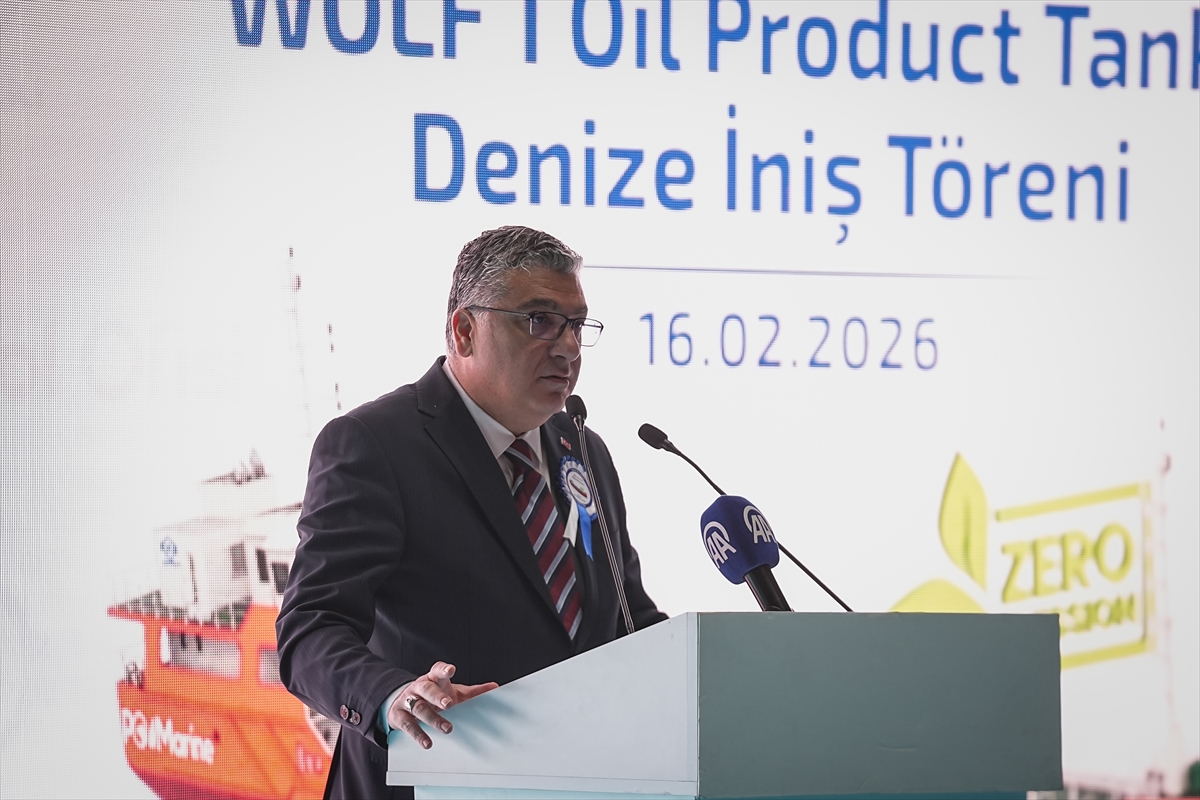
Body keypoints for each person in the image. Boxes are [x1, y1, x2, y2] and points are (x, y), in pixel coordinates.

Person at [276, 226, 667, 799]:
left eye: (576, 324)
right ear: (465, 330)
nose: (568, 347)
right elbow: (311, 630)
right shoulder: (374, 444)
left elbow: (626, 619)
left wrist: (714, 665)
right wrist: (393, 696)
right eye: (540, 320)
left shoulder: (584, 449)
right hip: (428, 781)